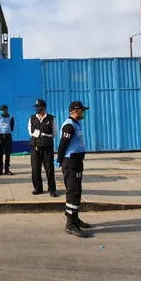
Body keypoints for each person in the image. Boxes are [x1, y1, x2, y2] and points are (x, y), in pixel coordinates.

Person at [56, 101, 93, 238]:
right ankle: (70, 224)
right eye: (82, 110)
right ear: (75, 111)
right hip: (71, 162)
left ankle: (75, 218)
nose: (83, 112)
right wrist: (59, 159)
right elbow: (62, 145)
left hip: (76, 162)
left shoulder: (76, 124)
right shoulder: (69, 126)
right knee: (73, 191)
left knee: (77, 191)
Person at [28, 99, 58, 197]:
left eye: (39, 107)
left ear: (44, 107)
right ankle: (38, 188)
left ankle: (52, 189)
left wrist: (44, 138)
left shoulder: (51, 119)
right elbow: (30, 132)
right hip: (35, 148)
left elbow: (54, 133)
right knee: (35, 169)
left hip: (47, 148)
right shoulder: (32, 118)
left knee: (49, 169)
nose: (37, 108)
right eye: (36, 107)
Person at [0, 104, 15, 176]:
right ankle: (0, 170)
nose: (1, 111)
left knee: (8, 153)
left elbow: (12, 127)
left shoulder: (11, 117)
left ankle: (7, 170)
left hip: (8, 137)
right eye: (0, 110)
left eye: (2, 110)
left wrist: (6, 132)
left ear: (6, 110)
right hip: (0, 136)